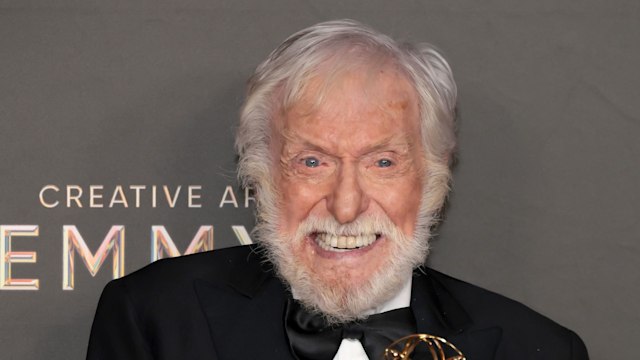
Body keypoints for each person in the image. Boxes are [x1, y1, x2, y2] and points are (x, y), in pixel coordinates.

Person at [86, 19, 589, 359]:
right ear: (261, 176)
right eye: (312, 161)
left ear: (433, 180)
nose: (346, 206)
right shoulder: (154, 320)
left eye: (383, 162)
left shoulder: (536, 348)